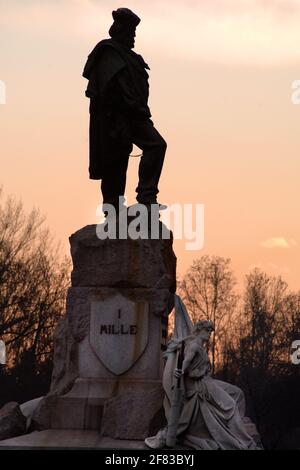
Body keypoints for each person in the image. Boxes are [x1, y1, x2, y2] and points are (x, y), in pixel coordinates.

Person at [145, 296, 259, 450]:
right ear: (200, 331)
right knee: (230, 404)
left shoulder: (198, 344)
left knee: (237, 393)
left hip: (207, 381)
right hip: (202, 385)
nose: (209, 335)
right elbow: (186, 361)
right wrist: (180, 371)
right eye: (208, 332)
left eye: (210, 332)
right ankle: (238, 437)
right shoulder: (194, 345)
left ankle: (236, 429)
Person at [83, 8, 167, 211]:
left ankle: (147, 197)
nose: (134, 36)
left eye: (135, 32)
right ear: (120, 30)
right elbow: (115, 87)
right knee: (115, 160)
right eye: (131, 31)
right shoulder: (108, 51)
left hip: (135, 114)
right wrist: (131, 108)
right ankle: (113, 207)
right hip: (117, 116)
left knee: (156, 145)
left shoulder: (130, 56)